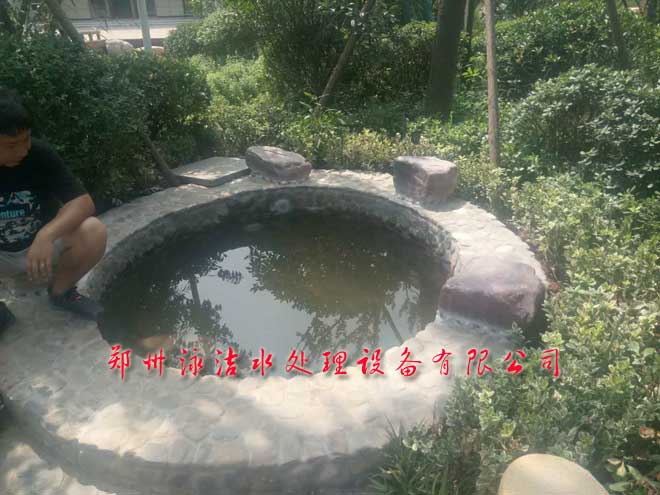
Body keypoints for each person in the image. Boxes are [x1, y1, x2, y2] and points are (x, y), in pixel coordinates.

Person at [0, 89, 107, 328]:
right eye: (12, 145)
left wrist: (46, 235)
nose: (23, 150)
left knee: (93, 231)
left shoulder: (39, 155)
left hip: (40, 246)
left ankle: (62, 292)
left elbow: (82, 202)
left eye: (27, 139)